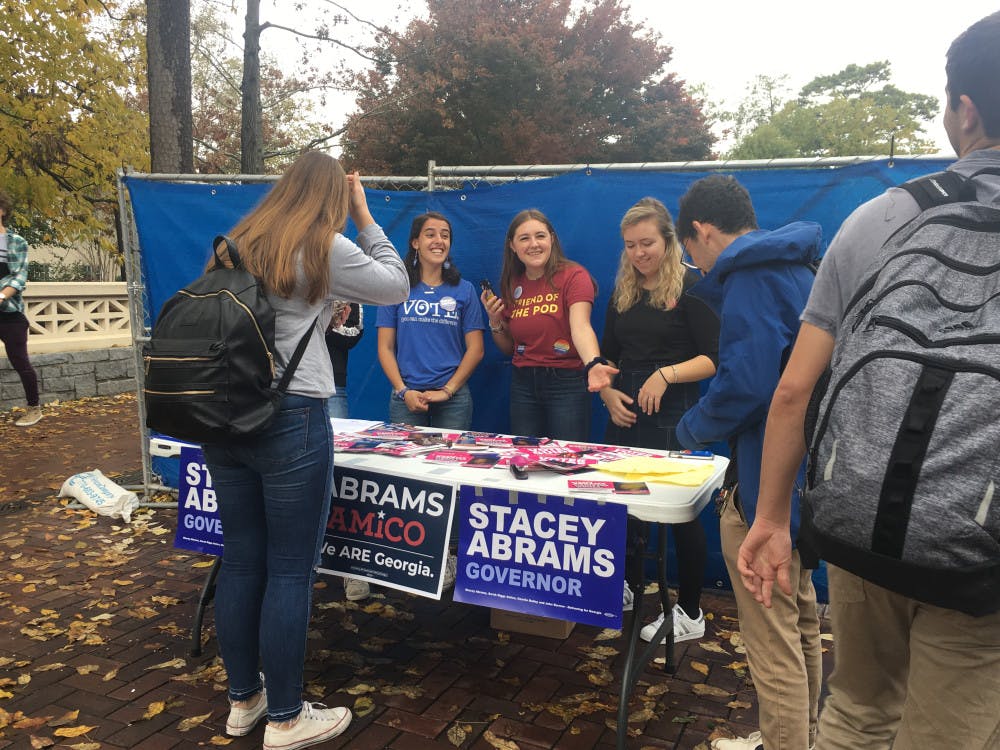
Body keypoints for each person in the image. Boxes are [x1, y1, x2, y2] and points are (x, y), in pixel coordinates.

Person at [737, 13, 1000, 750]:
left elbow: (794, 391)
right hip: (979, 558)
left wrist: (772, 520)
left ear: (965, 109)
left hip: (864, 522)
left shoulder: (883, 218)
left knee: (856, 709)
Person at [200, 151, 409, 750]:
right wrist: (365, 216)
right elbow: (394, 283)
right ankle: (287, 718)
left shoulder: (236, 242)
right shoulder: (320, 244)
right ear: (331, 197)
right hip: (291, 415)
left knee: (242, 561)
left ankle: (245, 701)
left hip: (225, 417)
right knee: (291, 568)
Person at [672, 175, 823, 750]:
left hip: (768, 482)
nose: (695, 263)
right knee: (799, 615)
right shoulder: (798, 267)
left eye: (691, 250)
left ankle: (786, 740)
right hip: (809, 475)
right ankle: (797, 737)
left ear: (703, 231)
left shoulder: (752, 279)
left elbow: (750, 386)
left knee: (771, 640)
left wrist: (689, 430)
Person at [599, 197, 718, 639]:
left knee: (679, 514)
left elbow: (716, 359)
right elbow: (607, 357)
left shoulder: (694, 287)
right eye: (630, 246)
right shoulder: (623, 291)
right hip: (625, 415)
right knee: (623, 507)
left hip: (673, 416)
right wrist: (608, 393)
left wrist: (665, 375)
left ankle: (689, 612)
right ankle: (629, 586)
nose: (639, 253)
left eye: (646, 243)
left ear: (669, 240)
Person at [481, 209, 617, 441]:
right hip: (523, 383)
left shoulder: (574, 276)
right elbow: (509, 347)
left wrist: (593, 363)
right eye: (524, 238)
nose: (533, 244)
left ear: (551, 239)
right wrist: (495, 322)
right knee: (525, 457)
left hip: (567, 382)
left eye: (540, 236)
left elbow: (581, 326)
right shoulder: (513, 283)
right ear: (512, 246)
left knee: (566, 459)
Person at [377, 211, 485, 430]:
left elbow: (476, 349)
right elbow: (385, 347)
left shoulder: (465, 290)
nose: (439, 241)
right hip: (405, 395)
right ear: (415, 242)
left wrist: (447, 391)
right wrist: (403, 391)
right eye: (430, 235)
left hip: (453, 399)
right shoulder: (396, 288)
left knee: (450, 461)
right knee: (405, 463)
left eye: (445, 236)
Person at [325, 300, 370, 603]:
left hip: (330, 386)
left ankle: (349, 563)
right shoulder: (278, 267)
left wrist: (326, 315)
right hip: (278, 386)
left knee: (339, 474)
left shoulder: (341, 267)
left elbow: (351, 335)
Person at [0, 190, 42, 427]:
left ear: (3, 211)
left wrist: (0, 295)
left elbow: (18, 278)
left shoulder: (16, 242)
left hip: (10, 314)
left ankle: (34, 408)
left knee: (20, 361)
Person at [325, 300, 363, 421]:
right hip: (286, 380)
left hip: (332, 384)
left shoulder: (347, 285)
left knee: (336, 439)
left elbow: (354, 332)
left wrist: (324, 324)